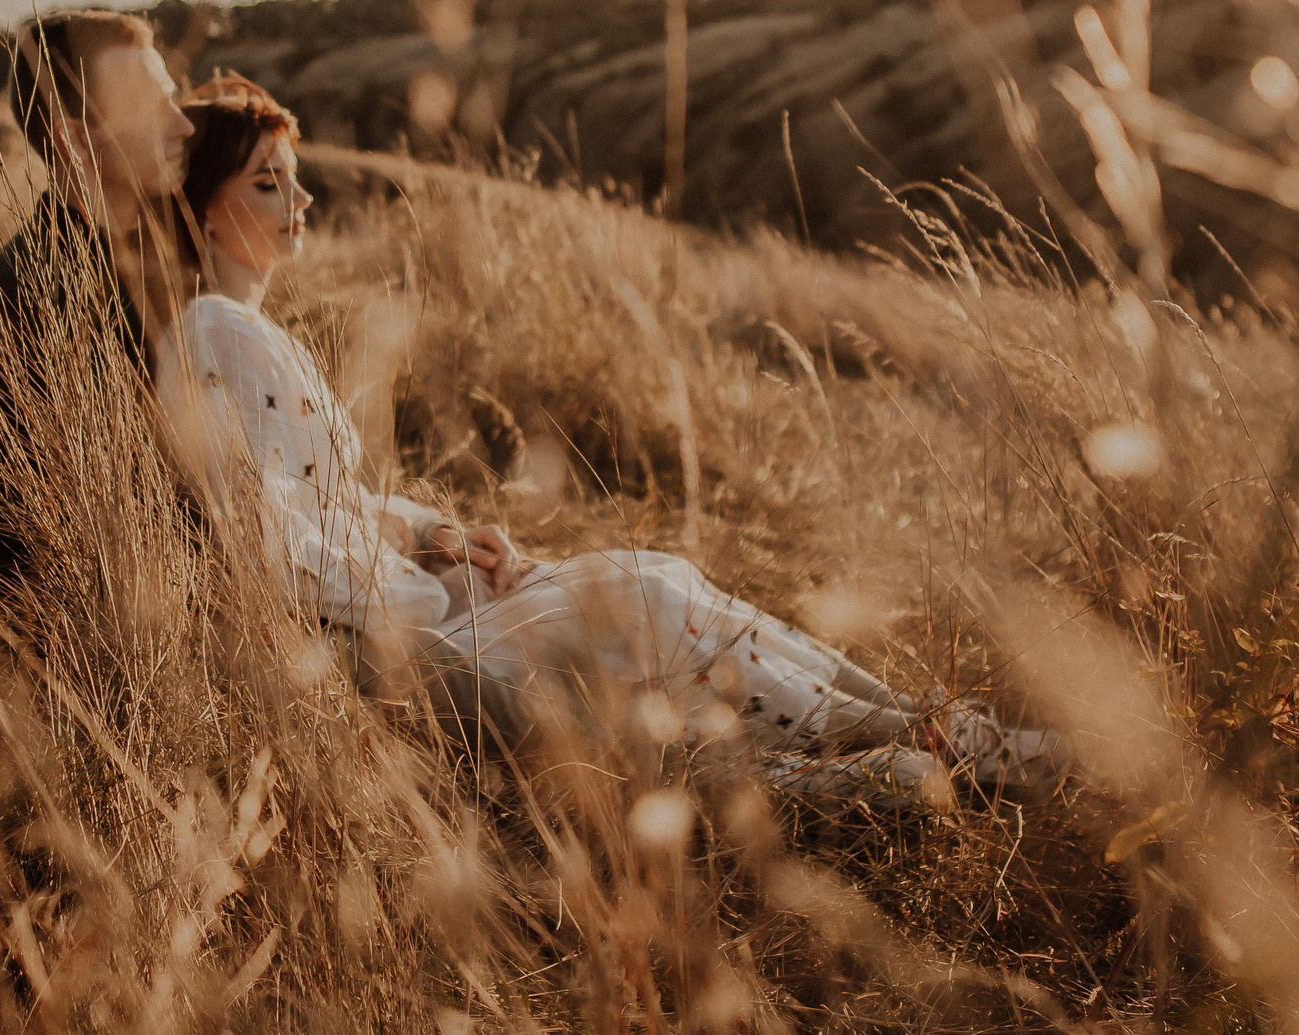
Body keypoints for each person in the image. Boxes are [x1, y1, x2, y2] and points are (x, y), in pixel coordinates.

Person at [153, 76, 1066, 803]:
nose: (298, 198)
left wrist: (435, 533)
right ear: (199, 212)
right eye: (265, 183)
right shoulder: (213, 332)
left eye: (293, 175)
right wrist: (422, 598)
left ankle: (925, 724)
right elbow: (270, 538)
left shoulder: (245, 327)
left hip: (436, 603)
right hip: (423, 644)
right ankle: (924, 741)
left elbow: (331, 501)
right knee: (647, 592)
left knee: (665, 578)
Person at [0, 8, 195, 585]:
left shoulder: (149, 264)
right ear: (77, 138)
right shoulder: (39, 296)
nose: (183, 125)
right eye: (155, 108)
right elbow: (10, 548)